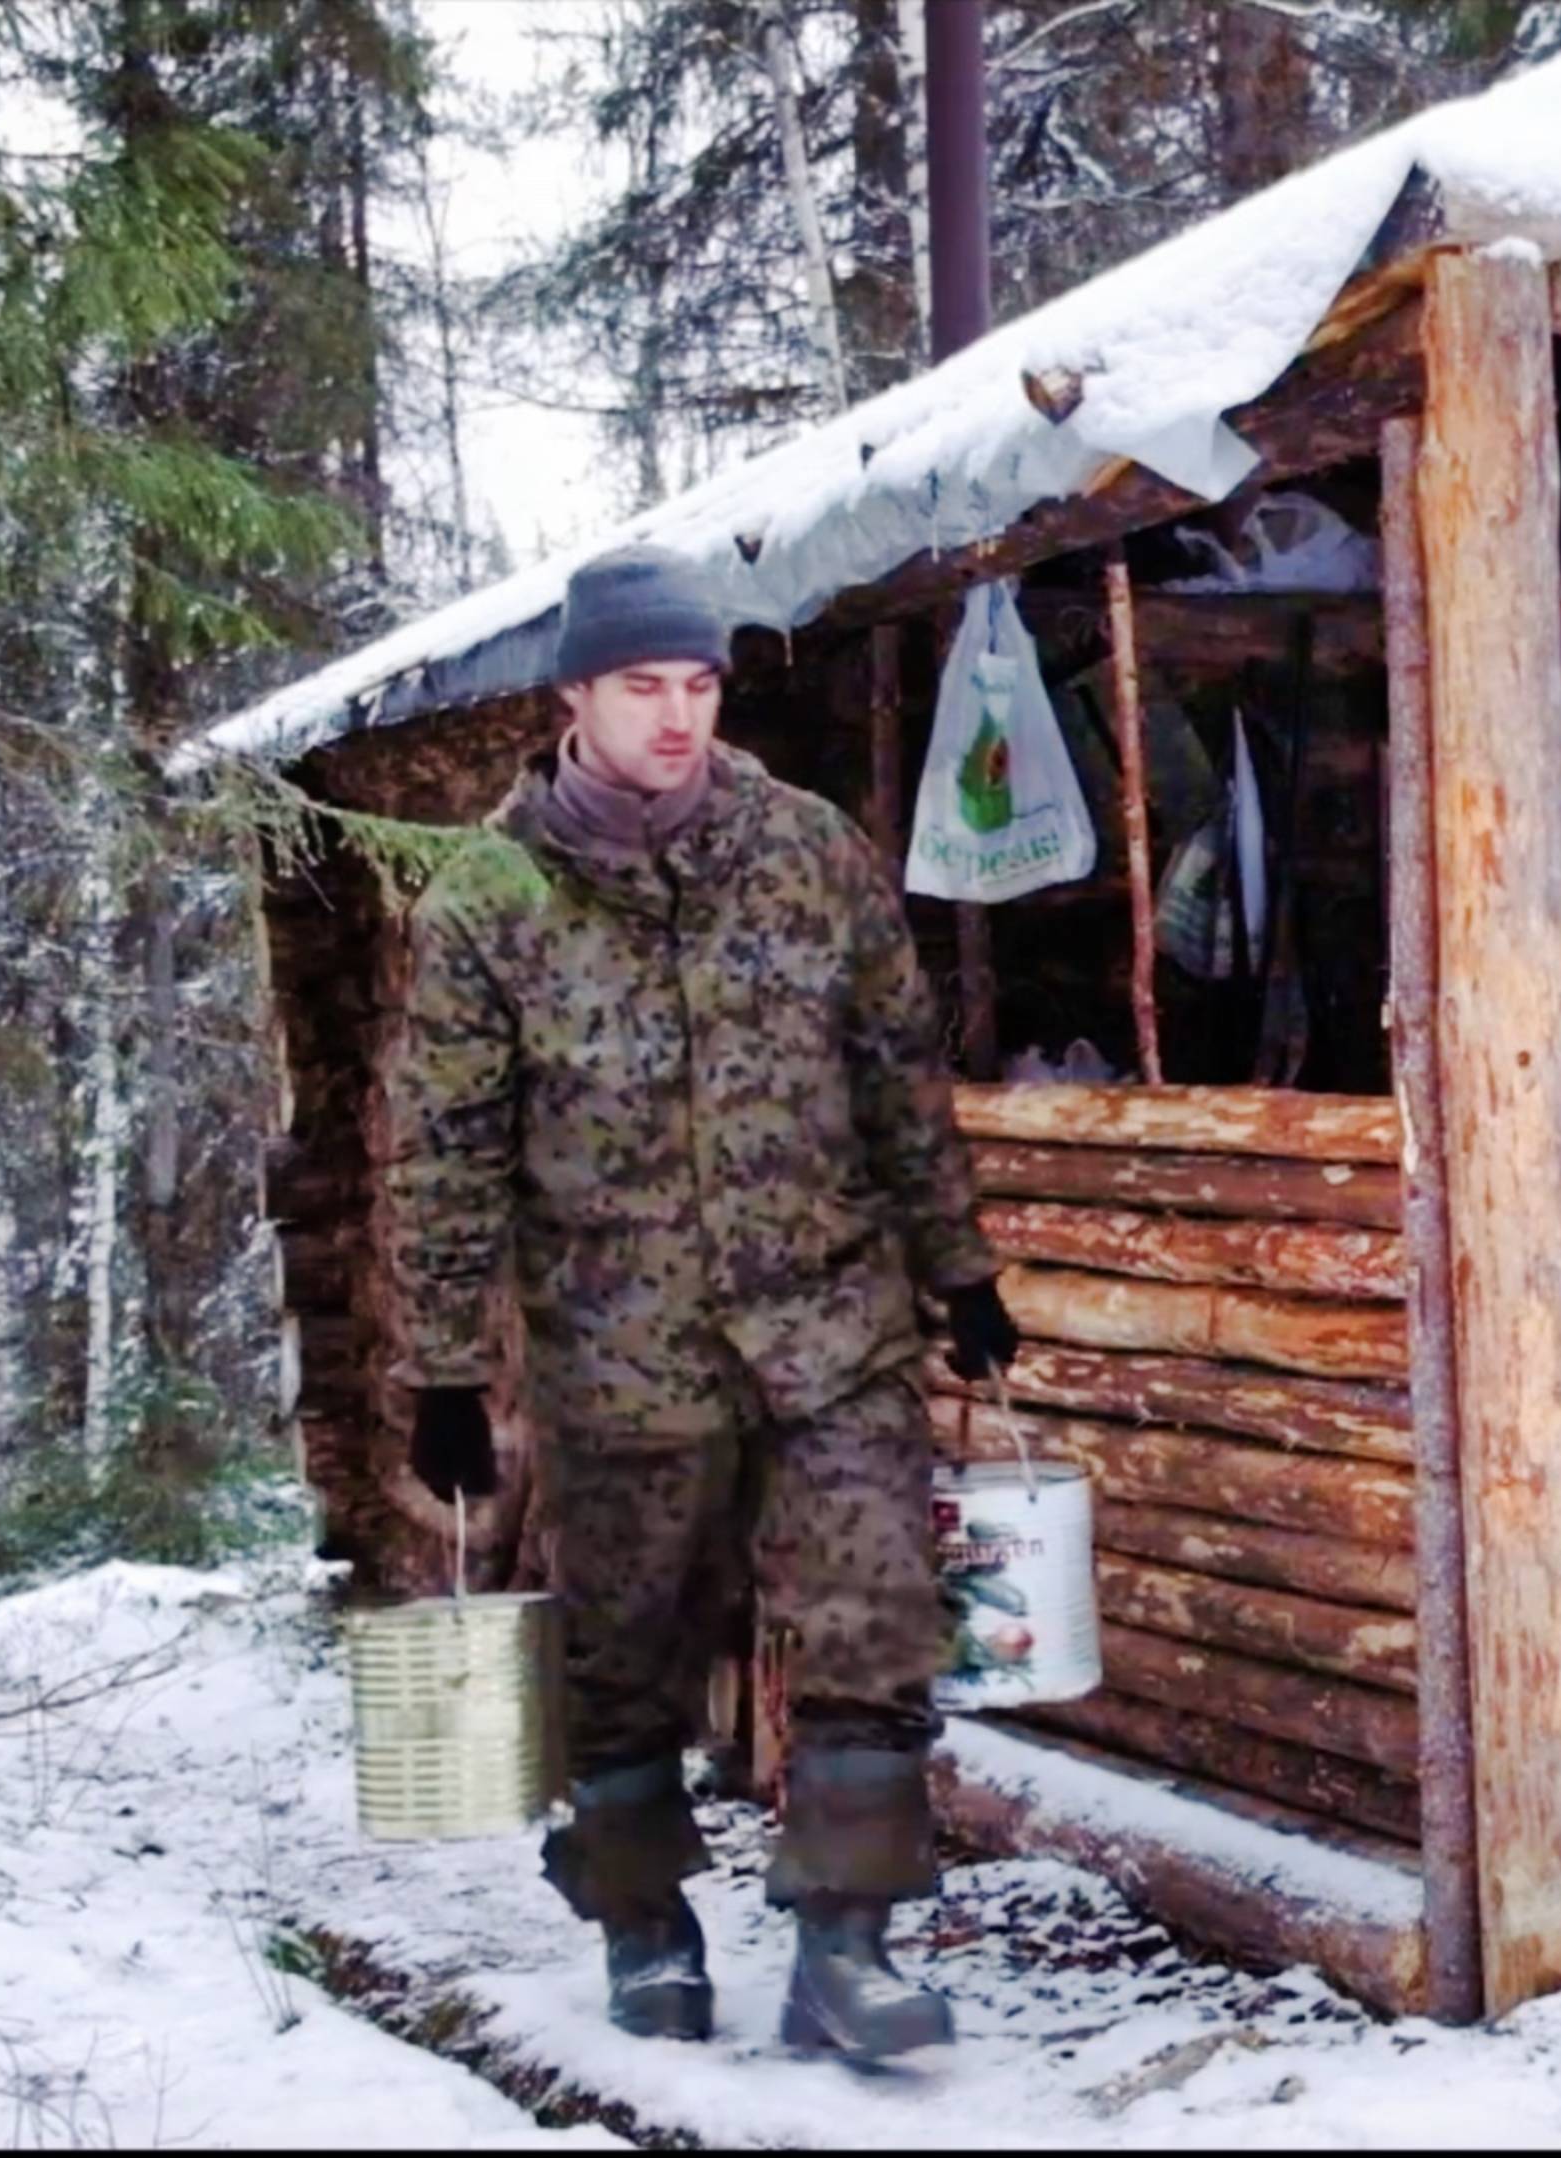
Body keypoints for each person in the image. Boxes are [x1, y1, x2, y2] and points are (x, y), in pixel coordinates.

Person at [381, 545, 1019, 2062]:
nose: (676, 715)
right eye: (641, 686)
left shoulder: (806, 851)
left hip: (831, 1322)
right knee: (628, 1651)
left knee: (876, 1612)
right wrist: (444, 1371)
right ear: (575, 697)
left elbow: (898, 1075)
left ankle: (846, 1948)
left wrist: (959, 1265)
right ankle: (644, 1925)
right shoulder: (490, 899)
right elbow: (444, 1147)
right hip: (622, 1345)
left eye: (699, 684)